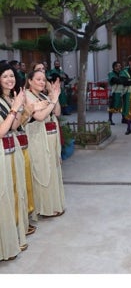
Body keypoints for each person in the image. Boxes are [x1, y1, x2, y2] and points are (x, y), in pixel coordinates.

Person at [25, 70, 65, 219]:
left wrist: (56, 96)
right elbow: (40, 116)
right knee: (42, 172)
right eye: (38, 79)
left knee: (52, 171)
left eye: (43, 80)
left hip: (50, 139)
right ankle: (44, 208)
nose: (42, 82)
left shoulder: (42, 95)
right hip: (37, 140)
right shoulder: (27, 96)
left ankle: (54, 205)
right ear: (30, 81)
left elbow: (57, 112)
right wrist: (52, 100)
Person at [0, 62, 30, 260]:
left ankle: (14, 238)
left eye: (12, 76)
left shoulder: (9, 97)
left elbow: (15, 125)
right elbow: (1, 131)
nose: (10, 79)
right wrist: (14, 109)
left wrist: (18, 107)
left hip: (12, 149)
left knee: (14, 193)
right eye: (5, 76)